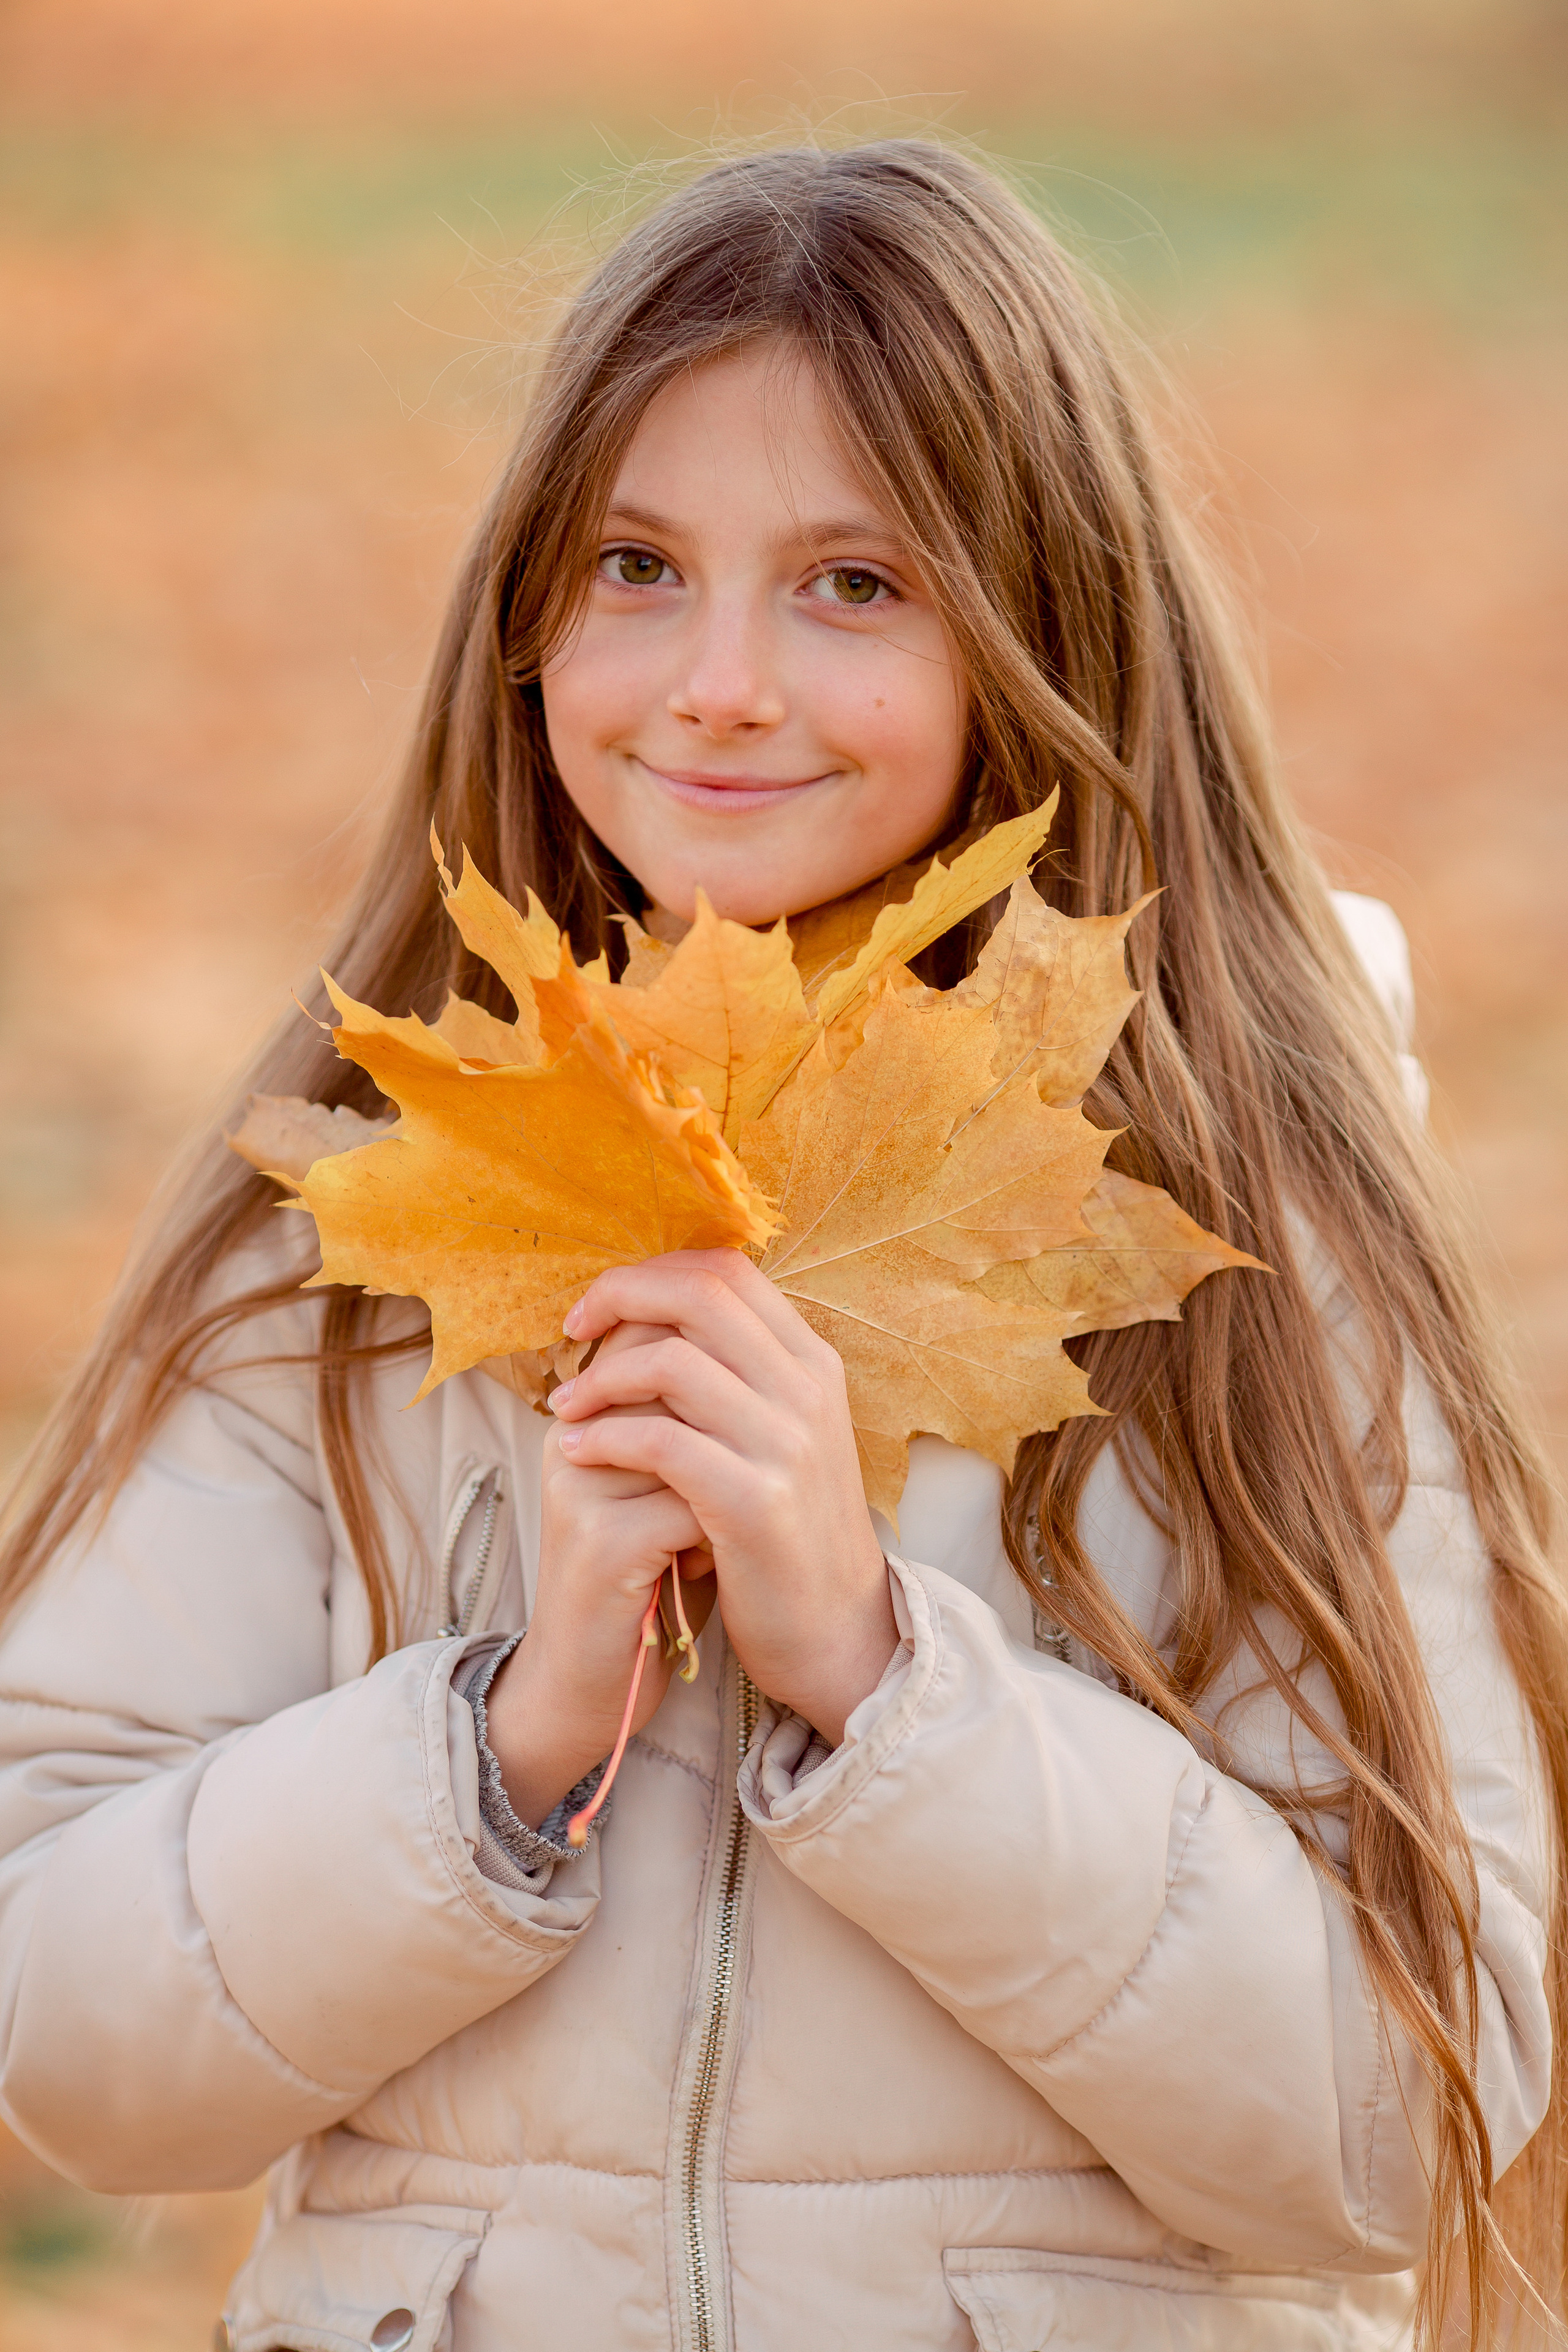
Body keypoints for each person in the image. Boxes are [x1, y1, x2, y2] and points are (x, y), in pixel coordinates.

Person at [0, 141, 1561, 2352]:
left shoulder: (1241, 1244)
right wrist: (503, 1744)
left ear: (1046, 636)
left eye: (856, 585)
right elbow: (56, 2037)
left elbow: (1416, 2112)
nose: (722, 682)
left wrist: (883, 1685)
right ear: (527, 620)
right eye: (639, 565)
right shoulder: (359, 1221)